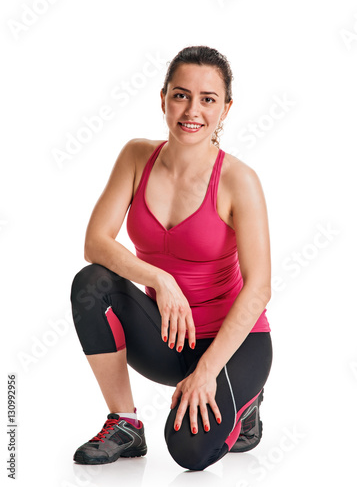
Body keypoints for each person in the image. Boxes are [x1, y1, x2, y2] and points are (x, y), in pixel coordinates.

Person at [70, 45, 273, 471]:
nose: (191, 110)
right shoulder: (135, 157)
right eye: (181, 95)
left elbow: (259, 289)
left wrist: (207, 373)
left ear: (226, 109)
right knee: (91, 283)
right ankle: (125, 424)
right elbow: (95, 242)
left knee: (188, 452)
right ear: (163, 98)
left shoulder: (239, 180)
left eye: (208, 99)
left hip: (235, 345)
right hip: (168, 336)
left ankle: (245, 404)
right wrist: (161, 281)